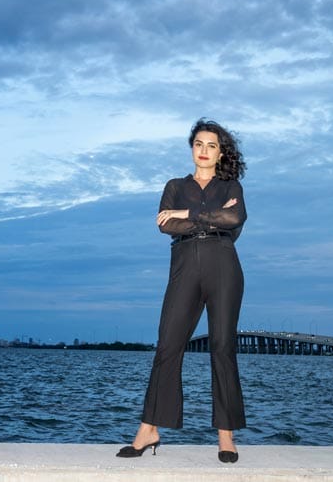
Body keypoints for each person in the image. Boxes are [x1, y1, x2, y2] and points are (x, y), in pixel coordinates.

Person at [117, 118, 248, 464]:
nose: (204, 151)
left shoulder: (231, 185)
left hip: (224, 265)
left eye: (212, 146)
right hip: (184, 265)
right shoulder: (174, 185)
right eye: (199, 144)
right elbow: (166, 224)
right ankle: (149, 429)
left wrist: (188, 213)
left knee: (222, 347)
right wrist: (210, 216)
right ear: (192, 148)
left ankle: (226, 436)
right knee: (167, 345)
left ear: (221, 153)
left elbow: (235, 220)